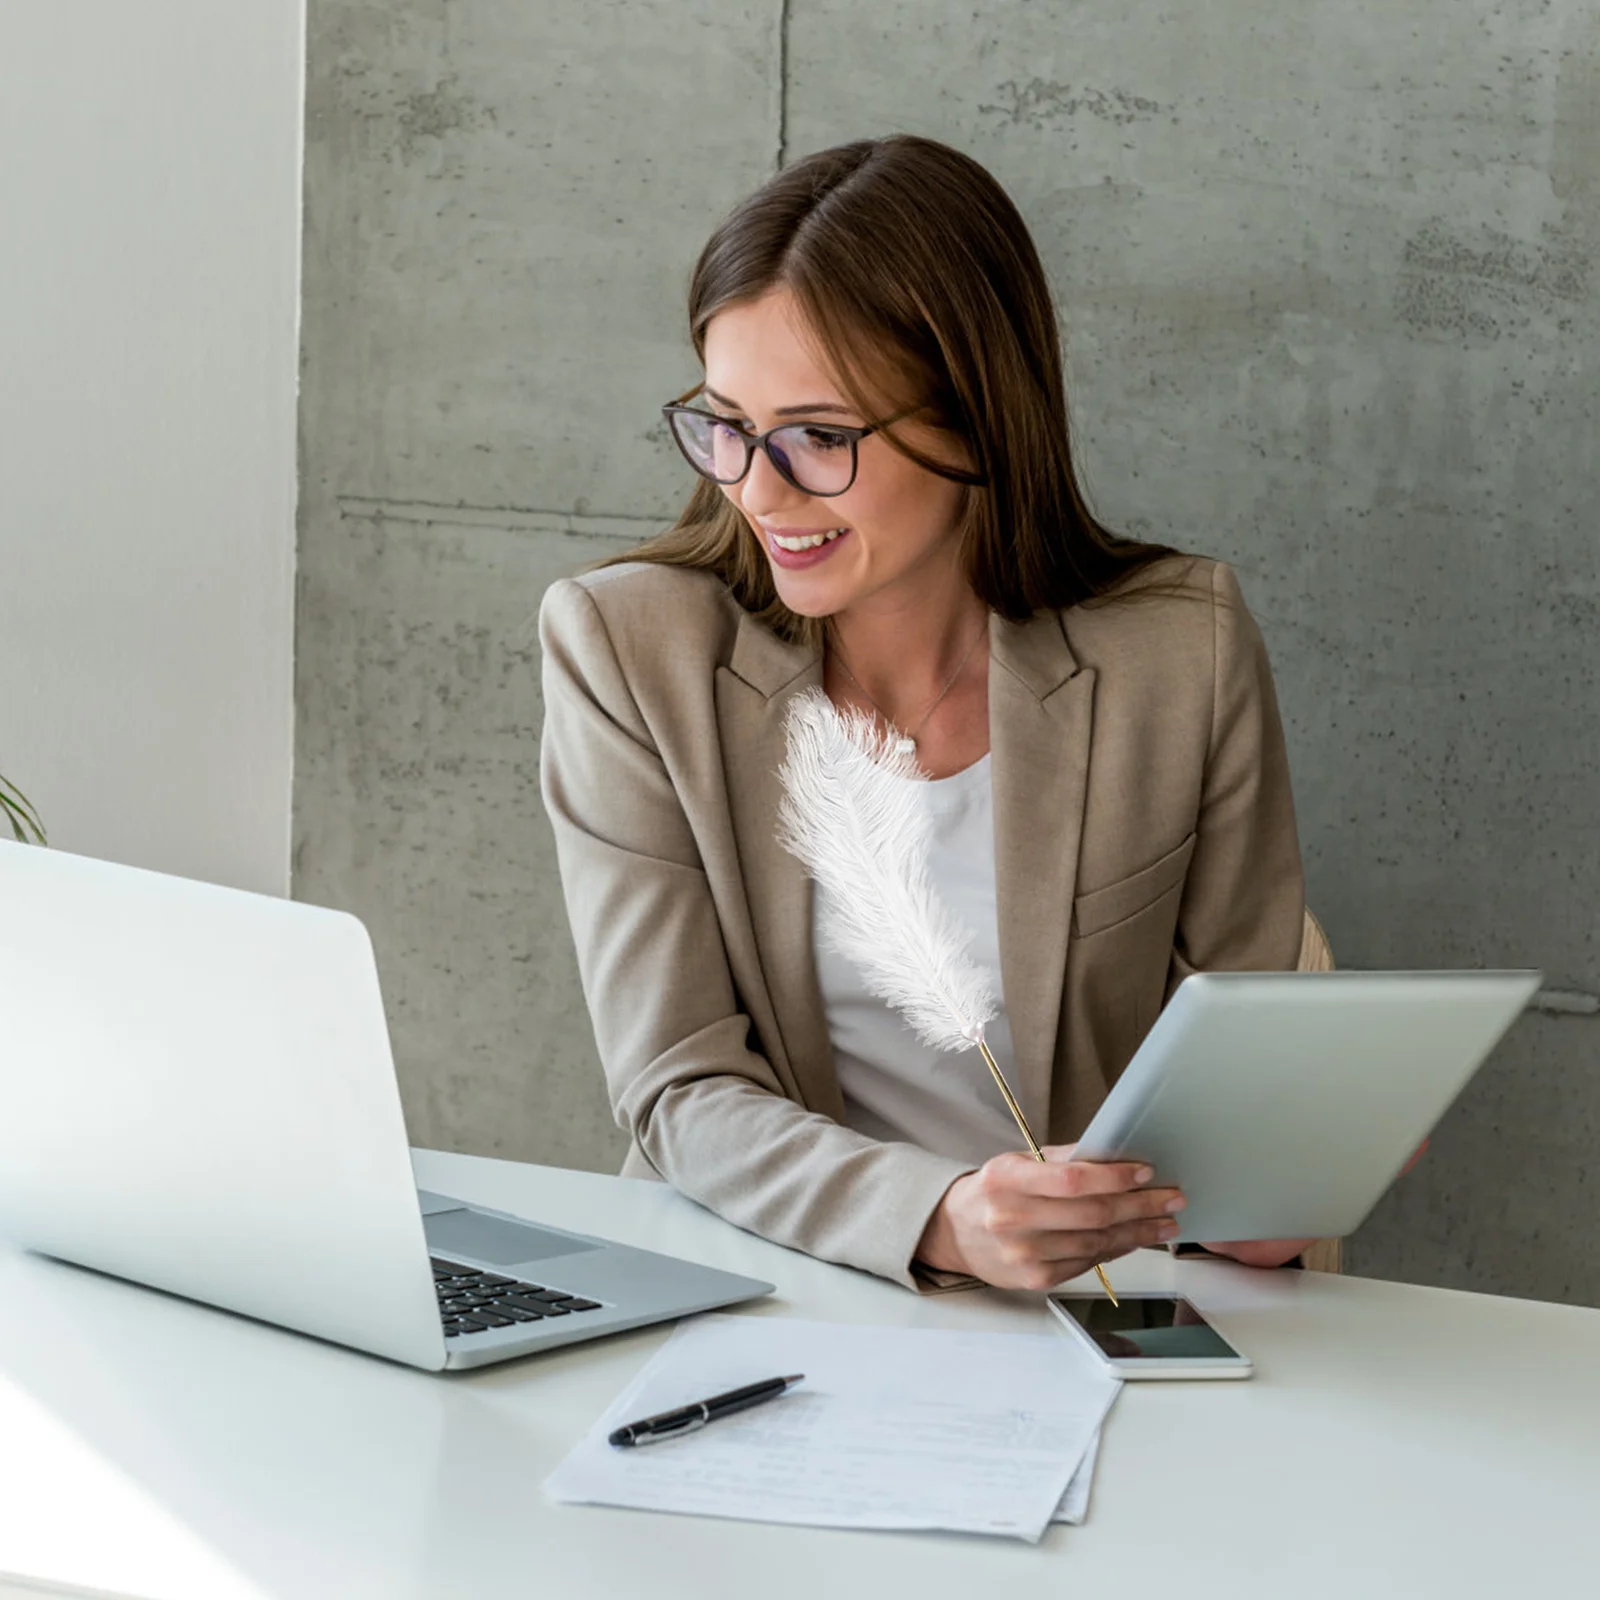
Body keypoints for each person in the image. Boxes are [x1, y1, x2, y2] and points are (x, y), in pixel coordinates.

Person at [538, 135, 1315, 1293]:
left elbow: (1238, 1082)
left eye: (817, 436)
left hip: (1091, 1314)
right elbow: (677, 1088)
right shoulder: (628, 650)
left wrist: (1267, 1185)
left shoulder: (1178, 651)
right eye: (725, 423)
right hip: (769, 1285)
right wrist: (941, 1217)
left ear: (975, 422)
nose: (756, 488)